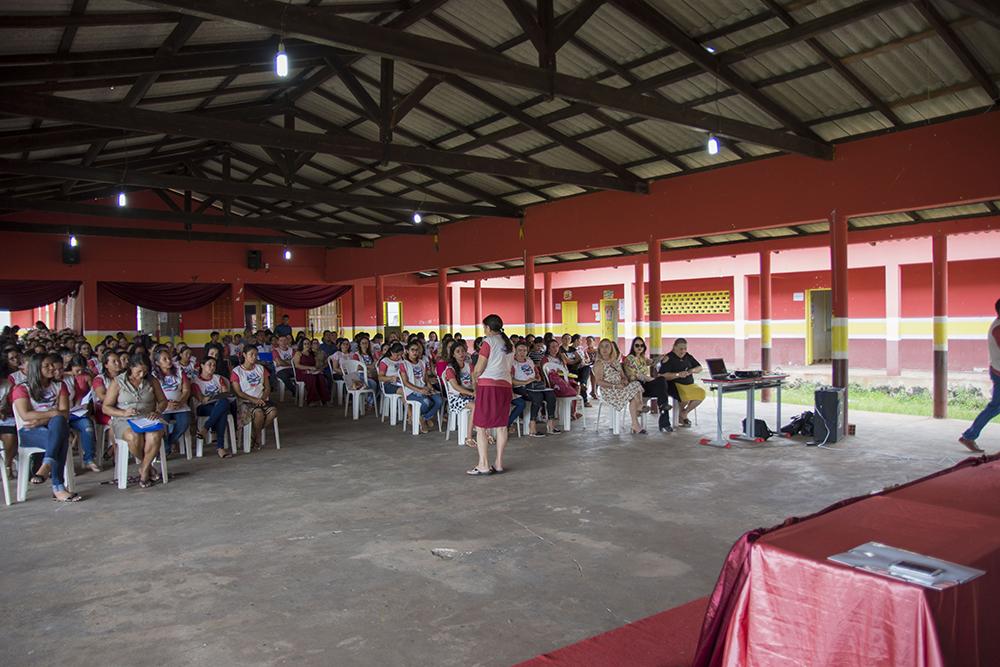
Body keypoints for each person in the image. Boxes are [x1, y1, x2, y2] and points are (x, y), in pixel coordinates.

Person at [11, 354, 82, 500]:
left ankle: (48, 464)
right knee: (60, 435)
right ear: (37, 368)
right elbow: (25, 415)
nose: (52, 368)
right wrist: (53, 413)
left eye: (52, 365)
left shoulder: (60, 385)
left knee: (58, 424)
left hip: (51, 427)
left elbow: (65, 414)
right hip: (30, 431)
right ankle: (58, 487)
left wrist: (43, 419)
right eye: (47, 366)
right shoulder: (22, 388)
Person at [101, 352, 169, 489]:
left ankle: (143, 470)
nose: (142, 375)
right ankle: (147, 466)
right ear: (130, 367)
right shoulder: (118, 382)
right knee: (133, 436)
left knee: (155, 435)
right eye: (138, 371)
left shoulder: (152, 380)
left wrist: (157, 411)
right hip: (124, 420)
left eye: (145, 371)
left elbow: (163, 401)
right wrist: (123, 412)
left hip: (148, 418)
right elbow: (106, 408)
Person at [468, 314, 514, 476]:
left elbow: (479, 368)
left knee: (481, 426)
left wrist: (474, 379)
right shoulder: (509, 344)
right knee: (502, 426)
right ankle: (499, 463)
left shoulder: (488, 342)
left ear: (488, 328)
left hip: (489, 386)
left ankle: (483, 464)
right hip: (505, 385)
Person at [959, 298, 1000, 452]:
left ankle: (969, 436)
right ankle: (969, 436)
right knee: (995, 407)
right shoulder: (998, 328)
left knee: (995, 407)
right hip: (999, 373)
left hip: (997, 370)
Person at [593, 339, 645, 434]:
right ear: (599, 349)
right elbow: (599, 381)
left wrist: (624, 380)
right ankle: (640, 406)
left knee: (635, 390)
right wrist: (615, 386)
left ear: (611, 349)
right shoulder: (599, 364)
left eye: (607, 346)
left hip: (620, 388)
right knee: (636, 386)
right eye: (602, 346)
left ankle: (635, 424)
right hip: (609, 391)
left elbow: (623, 376)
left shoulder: (615, 362)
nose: (604, 349)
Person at [230, 347, 278, 449]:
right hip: (246, 401)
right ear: (244, 355)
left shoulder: (261, 368)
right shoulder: (237, 371)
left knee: (273, 412)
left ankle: (255, 434)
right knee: (258, 413)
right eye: (251, 354)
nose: (254, 357)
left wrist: (263, 398)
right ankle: (258, 437)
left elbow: (267, 387)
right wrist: (254, 400)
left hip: (262, 399)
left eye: (256, 355)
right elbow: (238, 392)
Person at [624, 337, 673, 432]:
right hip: (636, 386)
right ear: (633, 347)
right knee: (661, 384)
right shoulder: (630, 358)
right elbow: (636, 376)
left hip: (645, 385)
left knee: (662, 381)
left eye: (642, 345)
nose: (639, 347)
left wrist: (662, 357)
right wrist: (651, 379)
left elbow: (652, 362)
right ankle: (664, 415)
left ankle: (663, 410)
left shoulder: (642, 358)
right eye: (637, 345)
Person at [511, 340, 558, 437]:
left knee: (551, 395)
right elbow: (511, 380)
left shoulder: (529, 361)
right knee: (537, 397)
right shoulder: (512, 363)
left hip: (533, 385)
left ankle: (550, 423)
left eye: (524, 350)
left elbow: (537, 374)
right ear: (515, 351)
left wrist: (537, 378)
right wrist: (525, 382)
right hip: (520, 387)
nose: (522, 353)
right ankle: (532, 425)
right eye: (520, 350)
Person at [151, 346, 192, 455]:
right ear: (157, 363)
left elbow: (186, 389)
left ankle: (169, 443)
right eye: (164, 359)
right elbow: (152, 394)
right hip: (162, 407)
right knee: (160, 423)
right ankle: (167, 447)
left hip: (179, 405)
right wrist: (166, 404)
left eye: (169, 358)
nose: (169, 361)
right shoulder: (153, 375)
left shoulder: (179, 371)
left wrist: (181, 402)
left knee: (185, 421)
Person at [191, 356, 234, 458]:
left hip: (219, 404)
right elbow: (202, 399)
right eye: (209, 365)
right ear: (202, 365)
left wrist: (211, 398)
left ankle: (205, 428)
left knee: (223, 405)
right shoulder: (195, 381)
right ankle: (220, 447)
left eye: (214, 365)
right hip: (203, 408)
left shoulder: (218, 378)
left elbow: (225, 394)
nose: (212, 367)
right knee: (222, 409)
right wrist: (213, 398)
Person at [657, 338, 705, 427]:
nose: (683, 351)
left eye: (685, 348)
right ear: (674, 347)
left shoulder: (688, 356)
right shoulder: (668, 358)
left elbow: (700, 368)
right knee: (685, 397)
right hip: (674, 385)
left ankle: (683, 413)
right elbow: (662, 375)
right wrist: (678, 374)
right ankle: (681, 416)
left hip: (689, 384)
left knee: (701, 393)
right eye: (681, 349)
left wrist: (691, 370)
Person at [65, 354, 100, 472]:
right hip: (65, 412)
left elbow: (92, 394)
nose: (79, 372)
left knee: (87, 426)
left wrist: (87, 405)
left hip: (79, 411)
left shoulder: (86, 377)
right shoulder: (64, 377)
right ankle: (67, 466)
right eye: (77, 370)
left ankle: (89, 459)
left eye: (82, 369)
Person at [399, 341, 443, 433]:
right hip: (411, 391)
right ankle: (422, 419)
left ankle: (423, 418)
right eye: (412, 350)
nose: (415, 352)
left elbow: (426, 379)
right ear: (407, 351)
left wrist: (431, 388)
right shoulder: (404, 364)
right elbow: (406, 383)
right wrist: (420, 390)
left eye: (417, 350)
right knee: (426, 403)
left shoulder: (422, 362)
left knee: (439, 400)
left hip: (424, 389)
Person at [444, 342, 477, 447]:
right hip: (456, 397)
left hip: (468, 394)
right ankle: (469, 437)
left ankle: (485, 432)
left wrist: (475, 391)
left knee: (485, 402)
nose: (461, 353)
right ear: (453, 354)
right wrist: (472, 393)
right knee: (475, 406)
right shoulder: (450, 369)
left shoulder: (469, 365)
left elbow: (474, 381)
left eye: (463, 351)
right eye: (458, 352)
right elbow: (455, 387)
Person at [293, 339, 331, 406]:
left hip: (312, 371)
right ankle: (312, 400)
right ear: (302, 345)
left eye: (308, 343)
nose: (307, 345)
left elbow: (315, 364)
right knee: (311, 378)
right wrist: (309, 368)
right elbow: (297, 365)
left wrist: (317, 370)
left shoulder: (312, 353)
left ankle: (325, 399)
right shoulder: (298, 353)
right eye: (305, 344)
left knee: (321, 377)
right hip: (302, 372)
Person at [271, 335, 298, 399]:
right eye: (281, 340)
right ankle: (295, 391)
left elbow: (296, 361)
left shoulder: (292, 350)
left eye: (285, 340)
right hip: (281, 370)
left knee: (303, 373)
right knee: (283, 375)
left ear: (288, 341)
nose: (283, 342)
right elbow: (279, 362)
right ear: (278, 342)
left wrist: (283, 362)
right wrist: (290, 362)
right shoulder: (275, 351)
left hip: (293, 369)